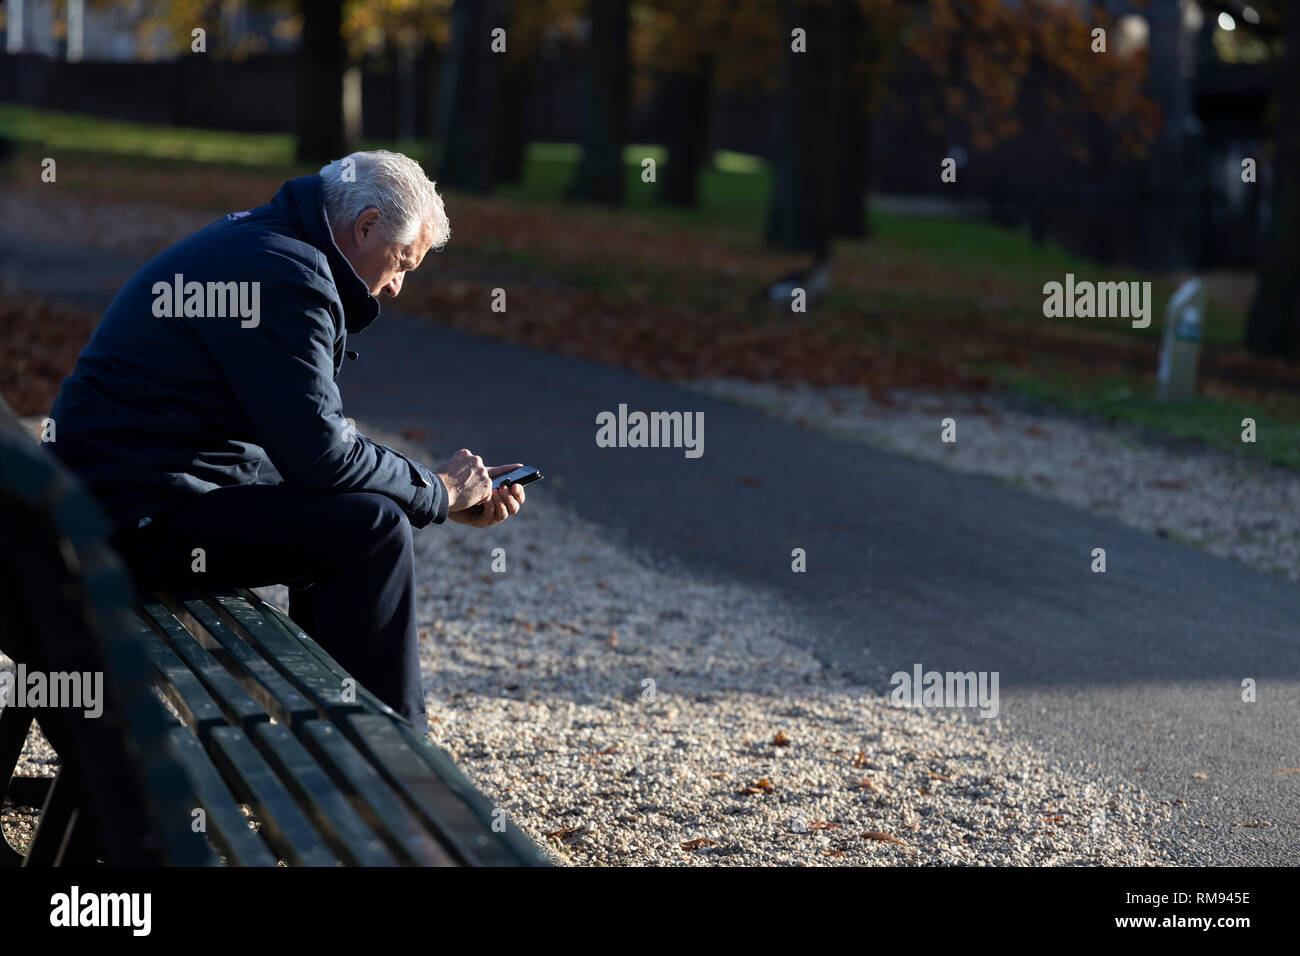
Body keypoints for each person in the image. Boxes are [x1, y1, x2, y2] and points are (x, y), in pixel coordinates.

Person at [47, 150, 524, 733]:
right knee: (368, 530)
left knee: (360, 517)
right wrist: (435, 492)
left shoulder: (264, 241)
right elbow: (321, 457)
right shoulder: (284, 273)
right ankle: (391, 762)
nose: (397, 286)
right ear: (366, 225)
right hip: (125, 525)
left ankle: (346, 740)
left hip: (100, 508)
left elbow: (306, 453)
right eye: (402, 261)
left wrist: (435, 496)